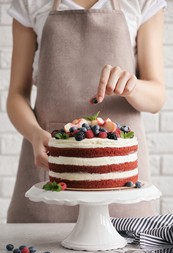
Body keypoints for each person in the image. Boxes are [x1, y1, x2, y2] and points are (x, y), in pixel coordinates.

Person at [6, 0, 167, 223]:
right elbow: (16, 95)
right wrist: (34, 133)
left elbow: (157, 98)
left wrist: (133, 86)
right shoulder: (30, 2)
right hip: (51, 162)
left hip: (120, 183)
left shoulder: (142, 2)